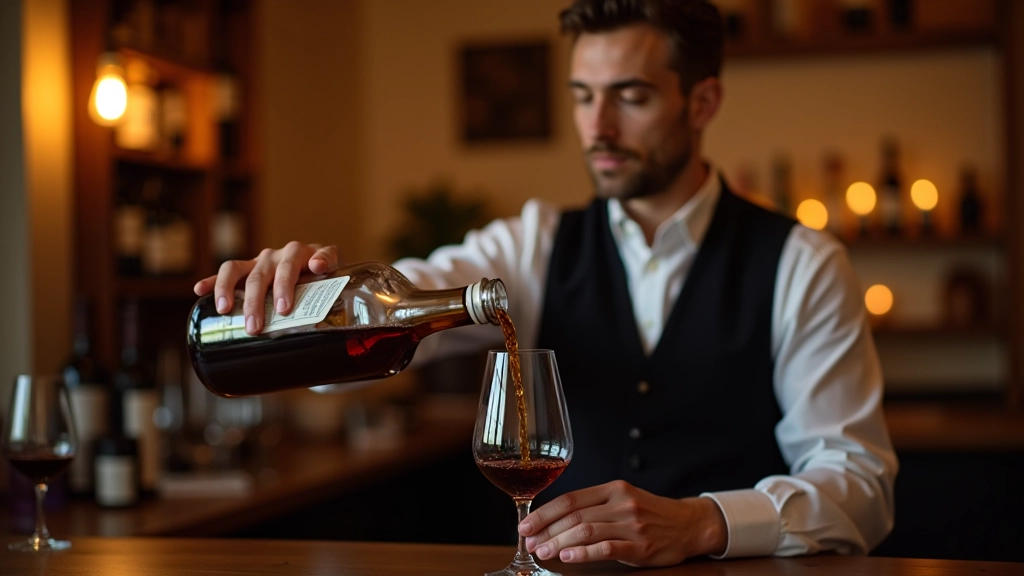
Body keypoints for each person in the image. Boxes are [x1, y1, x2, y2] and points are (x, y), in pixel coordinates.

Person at [194, 0, 897, 567]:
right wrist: (303, 300)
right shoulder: (532, 243)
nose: (598, 126)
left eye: (631, 97)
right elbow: (412, 298)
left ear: (703, 101)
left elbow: (860, 489)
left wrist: (705, 521)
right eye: (583, 97)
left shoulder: (803, 262)